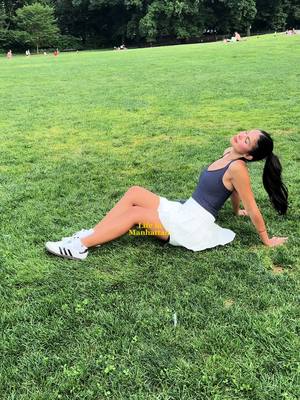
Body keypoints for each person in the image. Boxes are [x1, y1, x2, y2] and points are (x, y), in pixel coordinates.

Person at [45, 129, 288, 260]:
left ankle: (80, 247)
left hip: (192, 225)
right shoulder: (229, 153)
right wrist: (236, 211)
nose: (241, 135)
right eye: (246, 132)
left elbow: (252, 205)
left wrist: (266, 239)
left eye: (247, 139)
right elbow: (233, 191)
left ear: (249, 156)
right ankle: (92, 234)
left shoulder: (238, 168)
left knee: (136, 215)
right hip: (185, 209)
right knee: (135, 192)